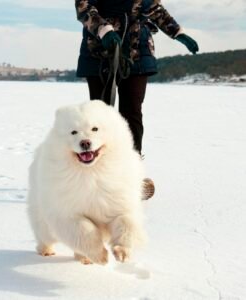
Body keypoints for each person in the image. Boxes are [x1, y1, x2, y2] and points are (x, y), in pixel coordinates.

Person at [75, 0, 199, 199]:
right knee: (99, 115)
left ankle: (131, 175)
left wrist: (178, 32)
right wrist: (105, 30)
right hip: (99, 49)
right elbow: (84, 9)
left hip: (137, 48)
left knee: (131, 110)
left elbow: (154, 8)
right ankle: (95, 175)